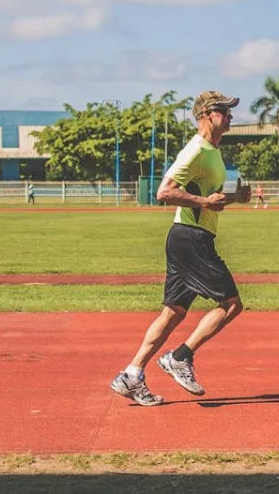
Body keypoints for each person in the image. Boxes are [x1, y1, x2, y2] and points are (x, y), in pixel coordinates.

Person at [109, 90, 251, 406]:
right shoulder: (196, 150)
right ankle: (180, 357)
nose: (231, 117)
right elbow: (164, 192)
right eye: (225, 111)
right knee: (231, 304)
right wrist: (202, 201)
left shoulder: (213, 151)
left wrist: (235, 198)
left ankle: (131, 375)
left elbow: (208, 200)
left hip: (187, 236)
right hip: (191, 239)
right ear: (208, 114)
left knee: (173, 313)